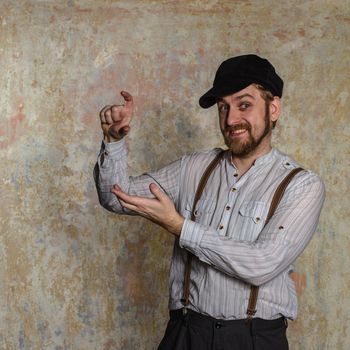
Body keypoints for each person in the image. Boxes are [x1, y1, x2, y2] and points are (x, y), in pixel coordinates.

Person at [94, 54, 325, 350]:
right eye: (223, 107)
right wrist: (113, 142)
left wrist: (180, 227)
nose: (230, 120)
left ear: (274, 108)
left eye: (244, 105)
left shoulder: (302, 185)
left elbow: (261, 264)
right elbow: (118, 197)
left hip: (254, 339)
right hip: (187, 333)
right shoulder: (194, 167)